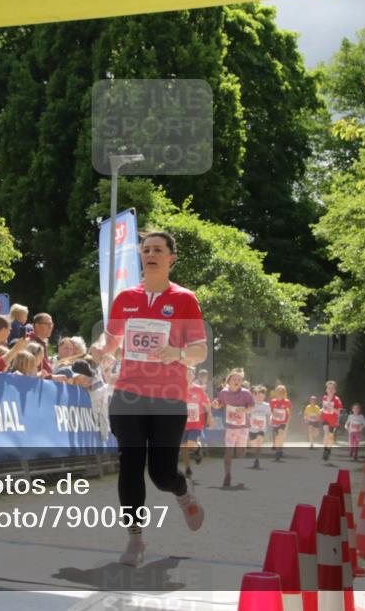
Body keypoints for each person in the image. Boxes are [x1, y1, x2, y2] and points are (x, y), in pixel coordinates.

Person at [90, 231, 208, 567]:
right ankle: (135, 540)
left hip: (169, 398)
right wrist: (101, 347)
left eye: (158, 250)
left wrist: (178, 352)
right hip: (128, 392)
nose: (151, 254)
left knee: (160, 473)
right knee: (129, 464)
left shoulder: (185, 299)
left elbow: (199, 351)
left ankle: (182, 492)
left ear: (171, 258)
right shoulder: (126, 297)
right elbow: (110, 339)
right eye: (146, 250)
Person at [213, 368, 254, 487]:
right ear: (229, 380)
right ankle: (227, 475)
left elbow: (252, 407)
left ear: (242, 382)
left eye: (239, 379)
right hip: (230, 427)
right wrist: (215, 405)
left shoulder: (246, 393)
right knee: (228, 451)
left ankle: (239, 474)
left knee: (240, 452)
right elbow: (219, 404)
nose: (237, 381)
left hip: (243, 427)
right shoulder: (224, 392)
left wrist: (245, 410)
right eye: (234, 379)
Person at [181, 366, 211, 481]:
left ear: (194, 376)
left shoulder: (198, 389)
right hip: (182, 423)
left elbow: (206, 404)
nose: (188, 375)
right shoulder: (177, 389)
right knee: (183, 447)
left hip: (196, 423)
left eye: (190, 373)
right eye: (186, 373)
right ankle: (188, 468)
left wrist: (210, 417)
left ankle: (198, 448)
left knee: (190, 444)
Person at [248, 386, 271, 469]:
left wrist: (271, 420)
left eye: (262, 396)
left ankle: (257, 460)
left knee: (259, 441)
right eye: (259, 396)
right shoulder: (251, 404)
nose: (260, 398)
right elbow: (247, 413)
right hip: (252, 428)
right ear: (256, 395)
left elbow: (269, 415)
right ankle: (256, 457)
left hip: (262, 428)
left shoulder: (267, 405)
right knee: (254, 445)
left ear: (264, 396)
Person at [321, 380, 343, 462]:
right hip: (325, 419)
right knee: (326, 433)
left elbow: (339, 412)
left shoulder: (337, 399)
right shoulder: (324, 398)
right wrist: (321, 410)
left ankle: (329, 449)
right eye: (328, 388)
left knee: (330, 437)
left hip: (333, 422)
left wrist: (333, 408)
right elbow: (324, 408)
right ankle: (325, 450)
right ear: (326, 389)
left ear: (335, 390)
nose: (330, 390)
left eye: (332, 388)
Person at [270, 384, 292, 462]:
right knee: (276, 438)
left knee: (281, 434)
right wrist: (271, 418)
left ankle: (278, 452)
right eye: (278, 391)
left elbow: (289, 414)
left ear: (284, 393)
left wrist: (287, 424)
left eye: (281, 391)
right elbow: (271, 411)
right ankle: (279, 449)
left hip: (283, 422)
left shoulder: (287, 402)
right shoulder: (273, 401)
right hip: (275, 422)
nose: (279, 393)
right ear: (276, 392)